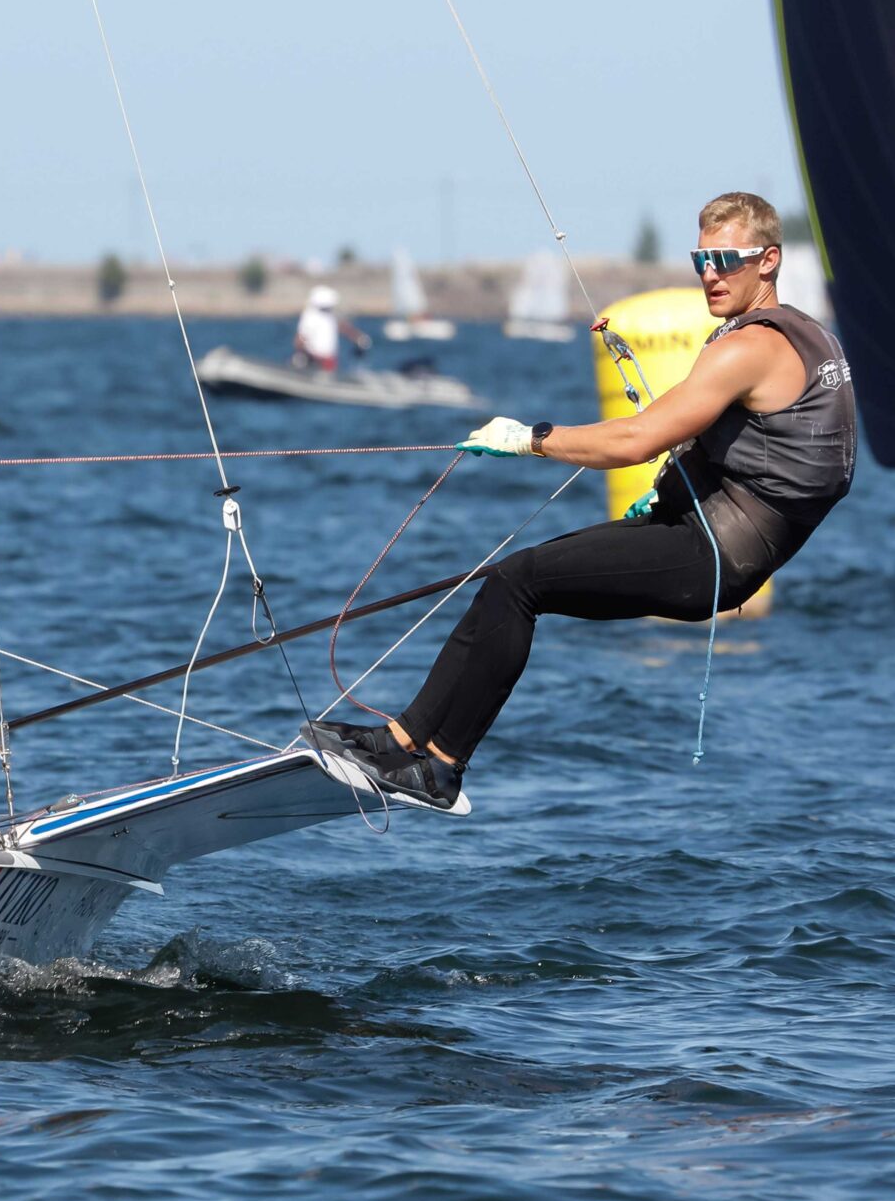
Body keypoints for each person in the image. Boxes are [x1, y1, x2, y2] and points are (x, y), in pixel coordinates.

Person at [306, 191, 854, 808]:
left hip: (711, 556)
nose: (709, 273)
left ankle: (439, 767)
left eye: (726, 258)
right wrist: (677, 493)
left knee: (519, 583)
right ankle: (401, 742)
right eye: (701, 257)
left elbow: (637, 438)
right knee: (512, 579)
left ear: (769, 260)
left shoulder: (747, 348)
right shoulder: (812, 340)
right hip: (718, 547)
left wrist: (530, 439)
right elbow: (773, 459)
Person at [291, 284, 372, 372]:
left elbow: (342, 327)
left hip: (329, 361)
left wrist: (358, 338)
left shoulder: (329, 316)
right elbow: (301, 338)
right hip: (315, 359)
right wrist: (301, 353)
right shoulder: (310, 316)